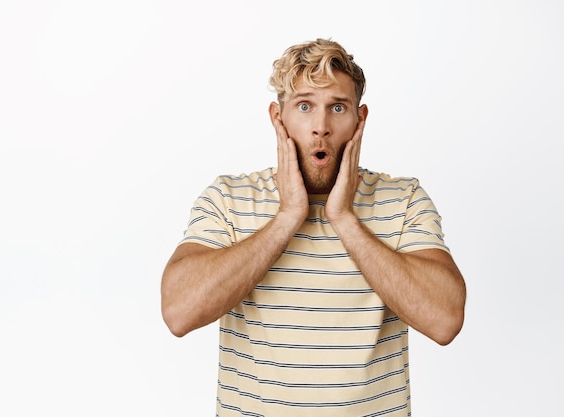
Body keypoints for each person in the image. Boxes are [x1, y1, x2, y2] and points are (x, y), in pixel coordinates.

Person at [160, 38, 466, 416]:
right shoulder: (228, 198)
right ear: (278, 117)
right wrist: (288, 216)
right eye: (304, 106)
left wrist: (345, 220)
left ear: (360, 118)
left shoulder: (402, 199)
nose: (321, 127)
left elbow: (445, 321)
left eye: (338, 107)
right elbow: (178, 312)